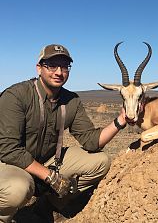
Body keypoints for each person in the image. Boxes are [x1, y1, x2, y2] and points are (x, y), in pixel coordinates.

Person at [0, 44, 127, 223]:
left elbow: (91, 141)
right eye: (52, 65)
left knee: (101, 162)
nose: (59, 72)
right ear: (39, 68)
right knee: (17, 188)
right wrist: (49, 176)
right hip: (10, 163)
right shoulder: (16, 95)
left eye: (65, 66)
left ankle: (47, 205)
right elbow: (8, 150)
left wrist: (120, 121)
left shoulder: (71, 100)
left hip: (48, 160)